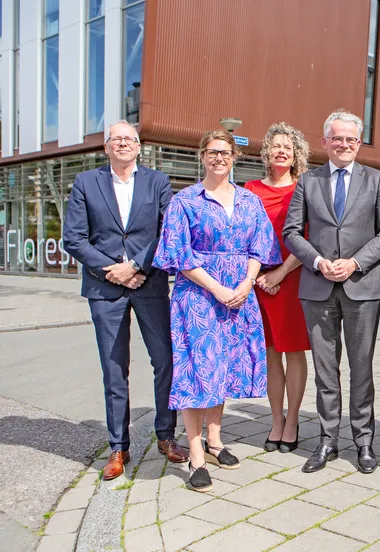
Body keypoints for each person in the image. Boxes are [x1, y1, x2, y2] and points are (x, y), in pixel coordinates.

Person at [153, 129, 281, 492]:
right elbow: (177, 254)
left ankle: (215, 440)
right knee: (197, 371)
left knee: (222, 367)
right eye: (212, 152)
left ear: (234, 157)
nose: (218, 158)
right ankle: (195, 456)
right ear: (202, 156)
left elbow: (260, 247)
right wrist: (218, 288)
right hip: (198, 296)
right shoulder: (185, 200)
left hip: (238, 295)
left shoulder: (249, 201)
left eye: (224, 152)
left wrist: (245, 284)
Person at [63, 120, 187, 481]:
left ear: (138, 146)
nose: (122, 144)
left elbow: (168, 232)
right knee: (114, 369)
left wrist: (135, 267)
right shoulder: (87, 182)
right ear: (106, 147)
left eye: (129, 139)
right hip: (105, 290)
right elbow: (75, 238)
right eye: (115, 139)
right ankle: (119, 446)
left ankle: (166, 435)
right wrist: (111, 270)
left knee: (165, 361)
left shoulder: (157, 182)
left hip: (148, 284)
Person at [283, 110, 380, 474]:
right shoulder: (308, 181)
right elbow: (291, 232)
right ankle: (327, 440)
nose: (344, 144)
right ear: (325, 142)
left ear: (358, 142)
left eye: (351, 139)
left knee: (362, 368)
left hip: (361, 286)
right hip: (317, 287)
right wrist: (317, 262)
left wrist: (355, 262)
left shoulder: (376, 180)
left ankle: (364, 441)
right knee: (325, 370)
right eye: (338, 138)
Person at [245, 123, 312, 454]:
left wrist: (280, 274)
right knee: (271, 352)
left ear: (296, 153)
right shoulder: (251, 189)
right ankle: (275, 419)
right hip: (260, 280)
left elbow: (310, 238)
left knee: (294, 352)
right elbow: (244, 236)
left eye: (288, 145)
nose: (281, 150)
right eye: (276, 145)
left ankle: (293, 420)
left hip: (293, 279)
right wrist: (259, 276)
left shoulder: (305, 188)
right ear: (266, 152)